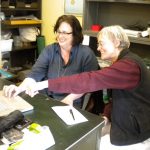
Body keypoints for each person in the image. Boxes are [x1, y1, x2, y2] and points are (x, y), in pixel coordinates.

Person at [9, 25, 150, 150]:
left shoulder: (128, 66)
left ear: (117, 43)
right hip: (124, 122)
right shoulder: (123, 63)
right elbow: (117, 97)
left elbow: (88, 79)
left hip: (135, 131)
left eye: (101, 44)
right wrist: (106, 115)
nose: (98, 48)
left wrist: (42, 84)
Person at [3, 15, 99, 108]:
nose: (60, 36)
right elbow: (34, 75)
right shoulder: (49, 50)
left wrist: (70, 98)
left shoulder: (86, 54)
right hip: (46, 99)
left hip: (70, 101)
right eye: (59, 31)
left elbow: (86, 84)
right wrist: (19, 89)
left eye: (65, 33)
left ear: (75, 34)